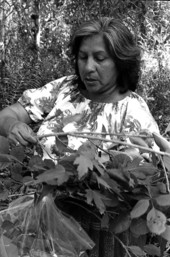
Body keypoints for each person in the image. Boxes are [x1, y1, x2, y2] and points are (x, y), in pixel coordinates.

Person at [0, 17, 159, 256]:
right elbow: (8, 114)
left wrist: (117, 161)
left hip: (96, 234)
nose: (88, 67)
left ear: (120, 62)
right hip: (40, 218)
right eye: (83, 57)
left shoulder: (133, 112)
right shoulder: (64, 90)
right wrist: (12, 124)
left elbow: (142, 167)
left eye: (100, 58)